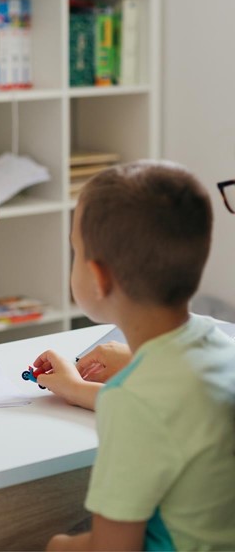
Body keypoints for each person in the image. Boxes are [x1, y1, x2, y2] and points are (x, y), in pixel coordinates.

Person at [32, 161, 235, 551]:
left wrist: (59, 546)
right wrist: (75, 388)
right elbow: (171, 404)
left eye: (74, 249)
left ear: (99, 276)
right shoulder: (219, 345)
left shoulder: (132, 405)